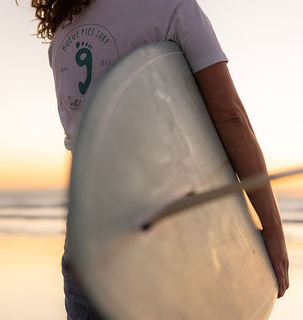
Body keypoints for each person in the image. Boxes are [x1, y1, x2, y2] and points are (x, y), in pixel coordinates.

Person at [29, 0, 289, 318]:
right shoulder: (170, 6)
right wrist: (273, 229)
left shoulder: (62, 35)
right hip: (169, 227)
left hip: (88, 233)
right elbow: (229, 115)